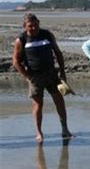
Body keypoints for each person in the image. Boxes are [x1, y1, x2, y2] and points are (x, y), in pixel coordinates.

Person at [12, 13, 73, 143]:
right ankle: (39, 133)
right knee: (38, 105)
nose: (34, 28)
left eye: (35, 25)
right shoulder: (21, 40)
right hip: (35, 76)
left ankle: (65, 129)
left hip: (51, 73)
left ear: (39, 23)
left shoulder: (47, 35)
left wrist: (62, 72)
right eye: (30, 26)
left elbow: (58, 53)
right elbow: (16, 62)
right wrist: (28, 77)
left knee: (59, 100)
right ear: (25, 26)